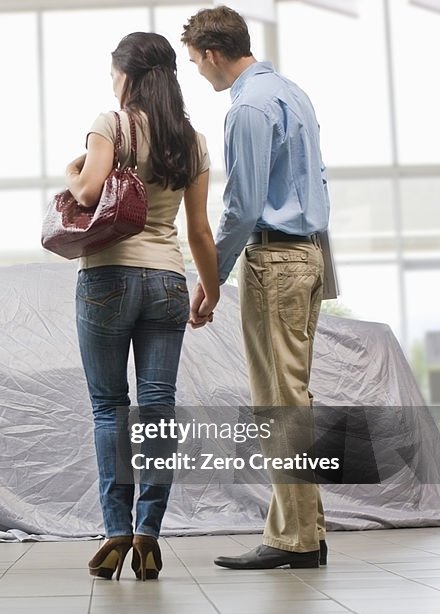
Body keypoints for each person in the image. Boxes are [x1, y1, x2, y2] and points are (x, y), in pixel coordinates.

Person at [65, 31, 219, 580]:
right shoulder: (192, 140)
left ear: (127, 75)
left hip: (107, 277)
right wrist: (212, 289)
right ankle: (150, 536)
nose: (112, 82)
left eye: (113, 72)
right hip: (168, 280)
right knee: (157, 409)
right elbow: (198, 229)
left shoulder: (110, 124)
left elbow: (86, 194)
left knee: (110, 407)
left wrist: (73, 170)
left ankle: (116, 531)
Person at [181, 6, 330, 569]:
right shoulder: (294, 93)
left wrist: (212, 277)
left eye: (197, 63)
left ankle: (295, 540)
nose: (199, 72)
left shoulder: (247, 107)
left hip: (275, 260)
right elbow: (315, 183)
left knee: (280, 402)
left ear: (215, 54)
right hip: (307, 257)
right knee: (294, 397)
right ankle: (305, 532)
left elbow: (242, 206)